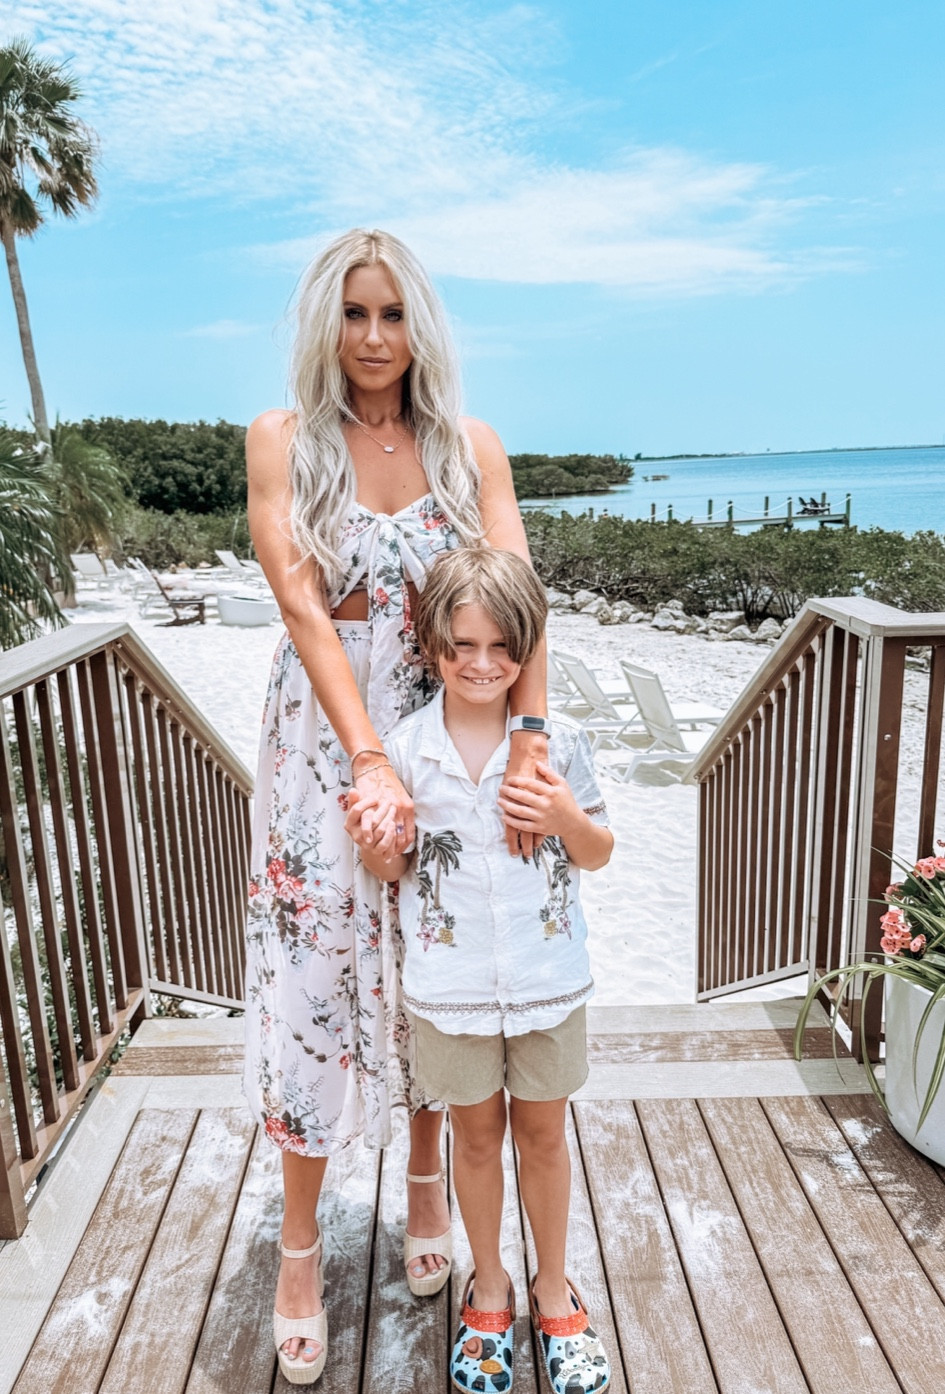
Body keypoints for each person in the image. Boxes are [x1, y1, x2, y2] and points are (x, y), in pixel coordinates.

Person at [242, 229, 550, 1385]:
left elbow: (521, 607)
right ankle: (302, 1243)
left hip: (442, 751)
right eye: (355, 315)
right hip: (326, 752)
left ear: (420, 324)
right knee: (314, 984)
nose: (375, 338)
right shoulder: (284, 441)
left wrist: (525, 745)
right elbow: (305, 609)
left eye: (393, 314)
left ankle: (426, 1180)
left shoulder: (469, 450)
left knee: (434, 971)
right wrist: (368, 760)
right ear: (328, 324)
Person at [346, 547, 613, 1394]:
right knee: (474, 1137)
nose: (482, 665)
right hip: (448, 988)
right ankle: (489, 1283)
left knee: (543, 1135)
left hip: (545, 978)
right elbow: (392, 873)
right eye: (461, 645)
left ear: (527, 649)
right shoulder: (404, 749)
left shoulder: (556, 743)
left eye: (502, 648)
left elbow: (599, 852)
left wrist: (567, 813)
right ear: (430, 645)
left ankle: (552, 1286)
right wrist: (379, 847)